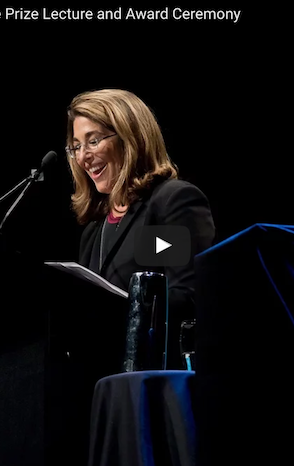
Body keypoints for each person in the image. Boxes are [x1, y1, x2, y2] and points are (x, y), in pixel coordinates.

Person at [65, 88, 215, 369]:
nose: (83, 156)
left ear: (129, 137)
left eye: (93, 141)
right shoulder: (93, 233)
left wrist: (120, 316)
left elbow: (184, 299)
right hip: (102, 382)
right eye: (76, 147)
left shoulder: (164, 204)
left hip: (154, 379)